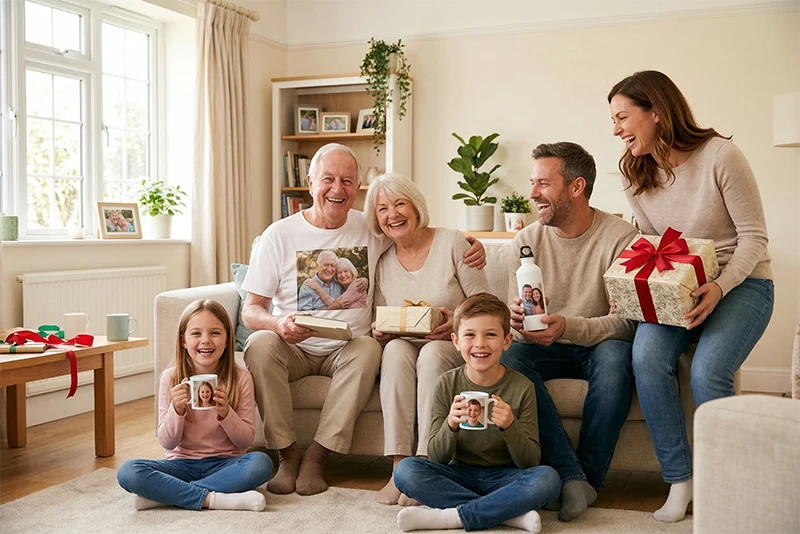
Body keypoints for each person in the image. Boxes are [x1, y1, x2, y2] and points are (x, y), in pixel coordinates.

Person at [241, 144, 486, 497]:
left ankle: (318, 456)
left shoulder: (372, 228)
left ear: (357, 188)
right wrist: (278, 325)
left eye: (347, 181)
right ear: (310, 183)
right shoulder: (278, 235)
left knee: (370, 348)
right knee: (258, 343)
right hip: (292, 346)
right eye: (328, 179)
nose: (337, 189)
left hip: (349, 348)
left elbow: (417, 237)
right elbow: (251, 310)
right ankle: (287, 455)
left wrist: (470, 243)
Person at [608, 70, 774, 522]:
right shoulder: (634, 174)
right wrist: (629, 291)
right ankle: (681, 480)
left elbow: (755, 238)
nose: (616, 129)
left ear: (657, 113)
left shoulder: (722, 156)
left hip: (744, 283)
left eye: (623, 117)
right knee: (646, 359)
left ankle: (728, 482)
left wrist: (719, 286)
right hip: (677, 287)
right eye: (613, 120)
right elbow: (650, 244)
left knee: (706, 373)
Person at [500, 142, 639, 522]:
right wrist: (516, 320)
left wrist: (570, 325)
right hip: (544, 344)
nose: (532, 194)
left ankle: (586, 480)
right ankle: (571, 475)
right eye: (532, 183)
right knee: (509, 359)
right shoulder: (526, 240)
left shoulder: (621, 238)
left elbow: (628, 322)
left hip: (599, 343)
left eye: (543, 184)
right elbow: (516, 312)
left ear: (576, 187)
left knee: (615, 361)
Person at [364, 172, 490, 506]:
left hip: (450, 343)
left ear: (416, 207)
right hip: (404, 344)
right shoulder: (382, 261)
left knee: (432, 353)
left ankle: (427, 466)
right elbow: (379, 314)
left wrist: (457, 320)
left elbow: (485, 305)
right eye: (382, 209)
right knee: (393, 351)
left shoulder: (453, 243)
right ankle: (398, 467)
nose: (392, 214)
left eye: (400, 203)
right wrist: (380, 329)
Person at [393, 293, 561, 533]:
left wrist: (510, 426)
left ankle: (450, 516)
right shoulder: (446, 383)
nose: (480, 343)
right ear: (456, 341)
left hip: (504, 477)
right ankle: (506, 514)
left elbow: (530, 461)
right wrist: (450, 425)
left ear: (506, 341)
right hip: (458, 473)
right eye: (470, 335)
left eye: (490, 334)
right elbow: (437, 457)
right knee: (405, 471)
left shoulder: (522, 387)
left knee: (548, 479)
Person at [117, 299, 272, 511]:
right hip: (181, 463)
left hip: (225, 464)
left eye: (215, 333)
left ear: (227, 339)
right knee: (128, 471)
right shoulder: (170, 379)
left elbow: (244, 440)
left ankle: (166, 496)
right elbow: (167, 442)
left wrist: (227, 413)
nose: (206, 341)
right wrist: (177, 410)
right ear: (183, 340)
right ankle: (215, 499)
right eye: (196, 333)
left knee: (261, 463)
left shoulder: (241, 378)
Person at [303, 257, 368, 309]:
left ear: (352, 272)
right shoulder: (341, 287)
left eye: (346, 271)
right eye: (339, 272)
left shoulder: (357, 284)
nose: (343, 275)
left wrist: (318, 288)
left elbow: (337, 304)